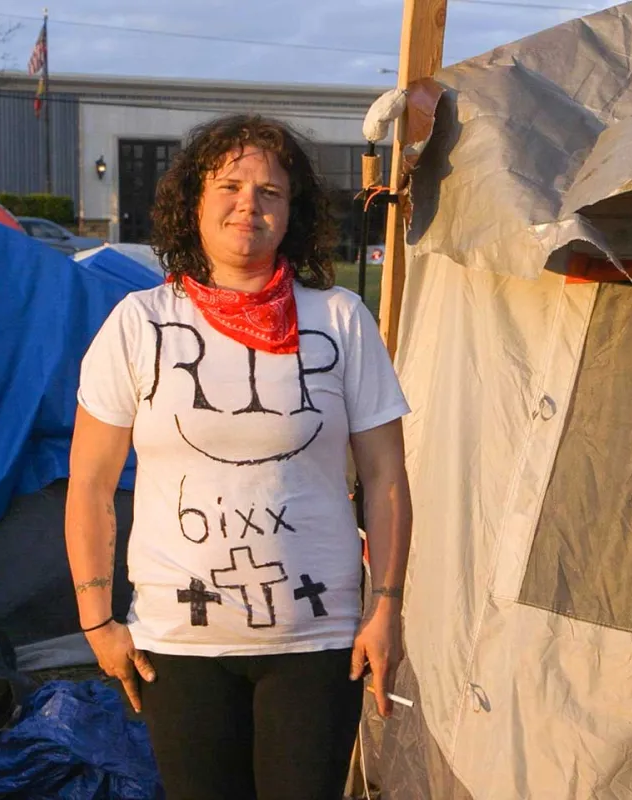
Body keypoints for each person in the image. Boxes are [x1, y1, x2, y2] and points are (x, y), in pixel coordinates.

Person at [64, 114, 412, 800]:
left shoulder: (340, 318)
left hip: (318, 643)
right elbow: (90, 483)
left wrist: (387, 606)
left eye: (270, 192)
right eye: (229, 185)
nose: (248, 202)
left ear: (294, 212)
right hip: (180, 645)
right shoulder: (140, 323)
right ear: (193, 201)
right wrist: (96, 621)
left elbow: (386, 478)